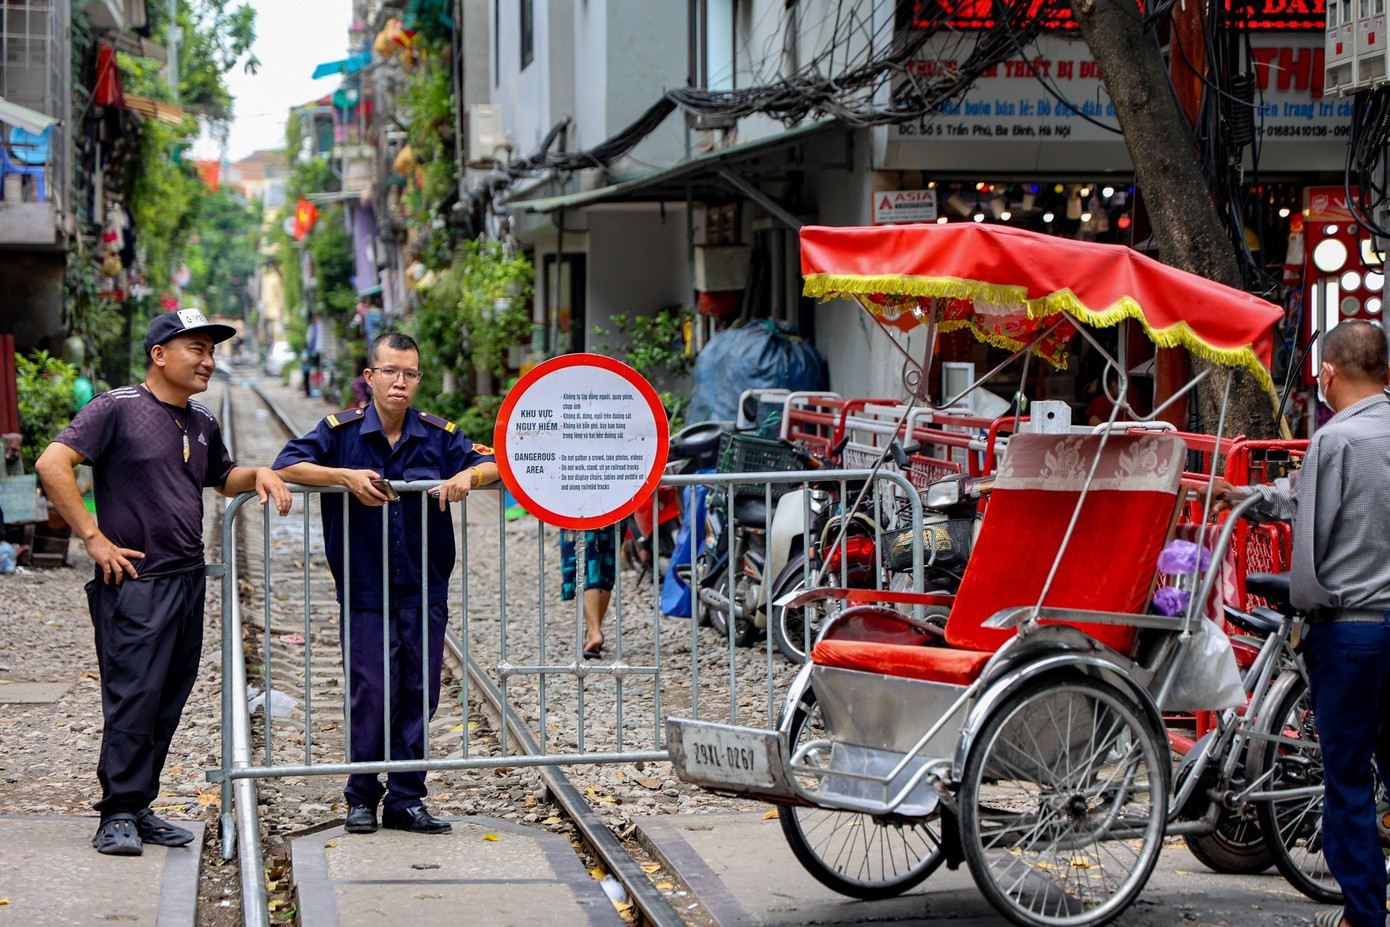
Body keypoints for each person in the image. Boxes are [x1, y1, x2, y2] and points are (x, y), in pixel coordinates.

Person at [36, 308, 292, 857]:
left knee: (167, 699)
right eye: (196, 349)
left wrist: (261, 473)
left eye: (211, 351)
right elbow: (53, 462)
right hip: (135, 580)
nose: (208, 360)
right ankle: (118, 812)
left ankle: (141, 805)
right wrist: (92, 536)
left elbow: (221, 478)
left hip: (186, 579)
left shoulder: (200, 420)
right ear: (160, 354)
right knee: (134, 697)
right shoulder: (117, 409)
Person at [271, 332, 499, 835]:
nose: (401, 382)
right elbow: (286, 464)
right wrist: (344, 476)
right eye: (391, 371)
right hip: (365, 587)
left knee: (419, 693)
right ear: (369, 377)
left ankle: (405, 800)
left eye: (410, 373)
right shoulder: (341, 432)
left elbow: (492, 461)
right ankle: (360, 795)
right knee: (371, 690)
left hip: (424, 588)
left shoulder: (439, 435)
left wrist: (469, 479)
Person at [1212, 320, 1390, 927]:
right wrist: (1252, 494)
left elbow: (1308, 536)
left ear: (1327, 373)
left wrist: (1304, 612)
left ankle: (1366, 915)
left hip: (1351, 633)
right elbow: (1298, 494)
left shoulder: (1335, 441)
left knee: (1346, 780)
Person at [560, 525, 617, 659]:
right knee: (606, 565)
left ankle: (594, 632)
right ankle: (593, 632)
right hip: (616, 508)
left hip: (579, 510)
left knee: (585, 567)